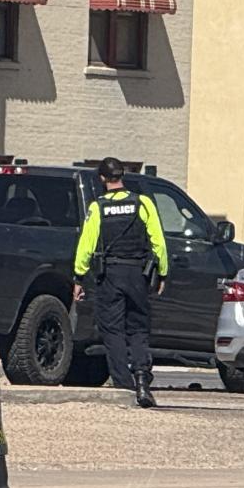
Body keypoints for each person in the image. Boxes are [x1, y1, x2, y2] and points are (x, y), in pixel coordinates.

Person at [72, 157, 169, 408]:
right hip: (138, 273)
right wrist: (163, 273)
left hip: (111, 274)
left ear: (103, 179)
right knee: (138, 327)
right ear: (122, 175)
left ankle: (123, 384)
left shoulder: (98, 207)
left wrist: (79, 277)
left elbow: (86, 245)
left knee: (112, 329)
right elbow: (158, 241)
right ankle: (142, 379)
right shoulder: (142, 202)